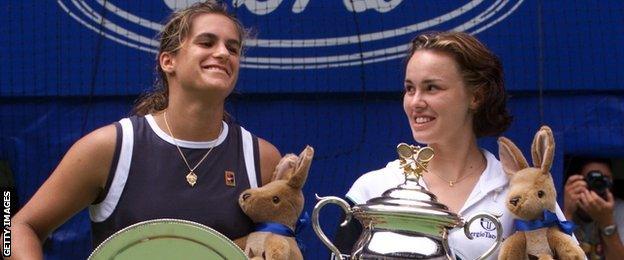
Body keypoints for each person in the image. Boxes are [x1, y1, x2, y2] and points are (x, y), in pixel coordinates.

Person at [7, 1, 281, 258]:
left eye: (232, 49)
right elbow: (17, 227)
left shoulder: (263, 159)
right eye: (207, 42)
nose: (223, 53)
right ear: (168, 61)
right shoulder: (109, 148)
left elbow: (279, 245)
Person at [334, 31, 571, 259]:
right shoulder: (372, 189)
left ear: (476, 97)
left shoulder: (521, 189)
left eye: (431, 88)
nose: (415, 102)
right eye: (409, 88)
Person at [564, 157, 624, 259]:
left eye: (605, 179)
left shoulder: (618, 209)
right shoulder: (561, 205)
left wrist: (606, 222)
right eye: (592, 179)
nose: (598, 185)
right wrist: (566, 213)